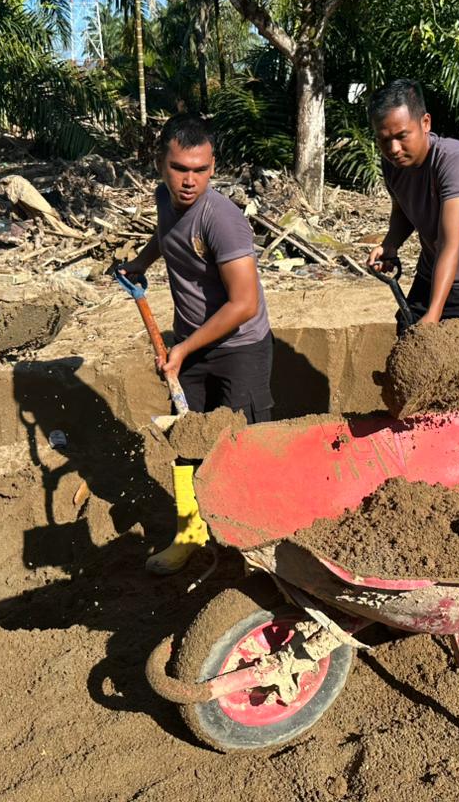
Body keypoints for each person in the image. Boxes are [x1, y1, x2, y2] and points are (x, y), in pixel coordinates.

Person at [115, 113, 273, 575]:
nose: (189, 181)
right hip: (193, 343)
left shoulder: (222, 220)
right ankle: (190, 531)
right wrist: (141, 262)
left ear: (213, 167)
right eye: (180, 168)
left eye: (200, 170)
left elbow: (244, 304)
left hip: (240, 348)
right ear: (161, 164)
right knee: (187, 441)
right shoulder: (165, 198)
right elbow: (166, 234)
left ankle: (256, 540)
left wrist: (182, 349)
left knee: (243, 447)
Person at [365, 79, 459, 371]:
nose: (393, 148)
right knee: (410, 355)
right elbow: (403, 210)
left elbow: (450, 245)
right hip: (432, 271)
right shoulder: (394, 164)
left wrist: (434, 314)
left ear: (425, 123)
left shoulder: (455, 162)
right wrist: (390, 244)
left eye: (402, 136)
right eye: (384, 140)